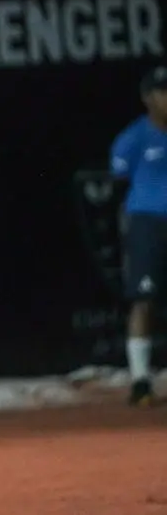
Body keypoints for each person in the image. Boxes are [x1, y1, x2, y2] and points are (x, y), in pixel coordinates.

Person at [109, 64, 167, 408]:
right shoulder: (131, 140)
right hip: (147, 223)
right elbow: (119, 186)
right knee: (144, 300)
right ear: (148, 99)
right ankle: (141, 381)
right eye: (163, 92)